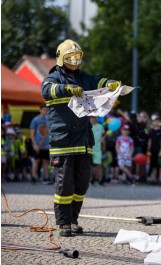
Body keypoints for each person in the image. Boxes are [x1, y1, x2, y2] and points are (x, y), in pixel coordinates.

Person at [41, 39, 120, 236]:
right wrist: (66, 89)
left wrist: (110, 84)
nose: (75, 61)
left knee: (82, 183)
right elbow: (46, 91)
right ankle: (64, 223)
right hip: (63, 140)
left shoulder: (84, 78)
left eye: (78, 57)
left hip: (84, 139)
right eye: (71, 57)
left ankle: (74, 219)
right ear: (61, 58)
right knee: (64, 183)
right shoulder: (53, 78)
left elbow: (98, 82)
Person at [30, 103, 51, 184]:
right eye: (44, 110)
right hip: (37, 145)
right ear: (40, 110)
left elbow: (48, 132)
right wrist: (34, 144)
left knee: (46, 161)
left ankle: (46, 177)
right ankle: (34, 176)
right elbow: (32, 133)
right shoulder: (35, 120)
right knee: (36, 160)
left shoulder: (48, 120)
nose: (46, 111)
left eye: (47, 110)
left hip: (46, 145)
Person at [148, 114, 161, 185]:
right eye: (155, 121)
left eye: (158, 121)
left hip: (159, 152)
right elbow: (150, 141)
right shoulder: (151, 131)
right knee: (153, 165)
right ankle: (154, 179)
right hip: (153, 151)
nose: (156, 122)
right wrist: (148, 149)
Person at [90, 117, 105, 186]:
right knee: (89, 166)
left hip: (98, 149)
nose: (93, 119)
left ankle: (100, 180)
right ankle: (91, 180)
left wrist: (104, 148)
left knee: (99, 165)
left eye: (95, 118)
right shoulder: (88, 126)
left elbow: (103, 139)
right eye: (92, 118)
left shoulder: (100, 126)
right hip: (90, 149)